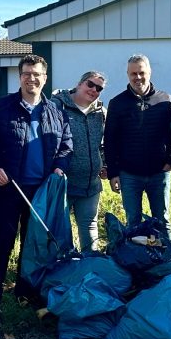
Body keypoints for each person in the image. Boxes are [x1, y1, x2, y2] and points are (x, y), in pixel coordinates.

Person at [0, 54, 72, 329]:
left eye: (37, 74)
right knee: (3, 242)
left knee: (33, 245)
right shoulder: (0, 108)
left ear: (45, 77)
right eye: (27, 73)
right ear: (20, 77)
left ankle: (24, 292)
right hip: (9, 189)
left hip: (41, 192)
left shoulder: (55, 110)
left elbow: (66, 143)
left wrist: (59, 167)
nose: (32, 78)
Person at [103, 54, 171, 238]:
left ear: (149, 73)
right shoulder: (117, 103)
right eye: (133, 73)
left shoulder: (165, 100)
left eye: (141, 72)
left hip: (159, 173)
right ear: (127, 74)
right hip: (129, 175)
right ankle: (135, 262)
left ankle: (167, 260)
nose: (138, 77)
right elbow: (110, 140)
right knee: (133, 221)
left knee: (162, 220)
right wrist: (113, 173)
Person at [51, 71, 107, 251]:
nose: (94, 90)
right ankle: (63, 271)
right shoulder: (56, 106)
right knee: (59, 233)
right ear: (79, 83)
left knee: (90, 230)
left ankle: (90, 270)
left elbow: (103, 144)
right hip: (63, 185)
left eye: (99, 88)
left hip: (91, 185)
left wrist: (104, 164)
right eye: (90, 84)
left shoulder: (101, 113)